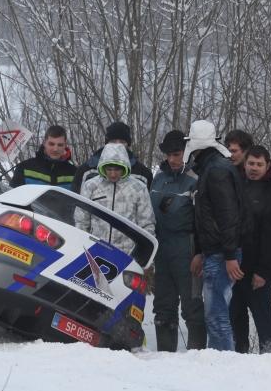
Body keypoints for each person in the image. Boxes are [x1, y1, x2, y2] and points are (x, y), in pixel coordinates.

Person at [185, 120, 242, 351]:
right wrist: (200, 251)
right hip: (215, 251)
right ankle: (220, 360)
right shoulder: (212, 168)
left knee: (217, 314)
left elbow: (228, 216)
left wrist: (229, 255)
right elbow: (206, 218)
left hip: (222, 254)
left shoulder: (216, 171)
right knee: (215, 313)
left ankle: (224, 363)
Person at [150, 130, 206, 352]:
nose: (172, 159)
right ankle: (165, 356)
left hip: (187, 247)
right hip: (161, 248)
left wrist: (199, 252)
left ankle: (198, 355)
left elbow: (203, 220)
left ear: (186, 152)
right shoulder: (158, 178)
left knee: (192, 305)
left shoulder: (196, 178)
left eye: (177, 154)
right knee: (163, 306)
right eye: (169, 155)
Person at [230, 145, 271, 354]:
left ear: (268, 166)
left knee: (263, 315)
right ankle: (239, 352)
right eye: (251, 163)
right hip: (235, 264)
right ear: (244, 164)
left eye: (259, 164)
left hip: (260, 267)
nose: (254, 168)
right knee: (235, 314)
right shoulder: (235, 188)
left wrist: (263, 271)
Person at [226, 128, 271, 277]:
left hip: (261, 254)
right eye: (228, 150)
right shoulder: (230, 176)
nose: (230, 155)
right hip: (235, 254)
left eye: (234, 151)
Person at [75, 142, 154, 257]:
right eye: (109, 169)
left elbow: (147, 224)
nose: (112, 174)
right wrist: (81, 249)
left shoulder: (138, 188)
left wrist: (145, 256)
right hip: (96, 251)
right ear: (102, 166)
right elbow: (81, 221)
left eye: (117, 169)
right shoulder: (91, 186)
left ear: (125, 166)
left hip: (128, 254)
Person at [71, 121, 153, 192]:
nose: (117, 145)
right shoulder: (86, 170)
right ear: (106, 143)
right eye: (113, 141)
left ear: (128, 144)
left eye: (122, 142)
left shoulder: (143, 174)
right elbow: (75, 203)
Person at [10, 125, 76, 188]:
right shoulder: (24, 168)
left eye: (60, 145)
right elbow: (12, 197)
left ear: (65, 145)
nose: (55, 149)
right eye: (51, 144)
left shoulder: (75, 173)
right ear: (44, 143)